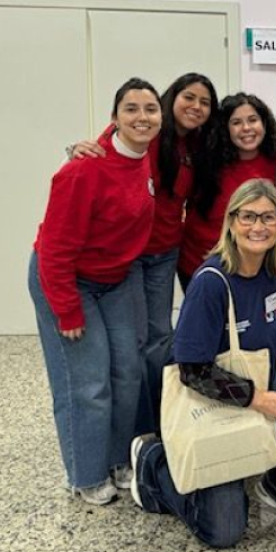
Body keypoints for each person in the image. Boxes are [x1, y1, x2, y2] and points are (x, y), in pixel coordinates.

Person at [130, 179, 276, 548]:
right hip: (211, 391)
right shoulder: (211, 283)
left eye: (268, 217)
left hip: (259, 379)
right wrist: (260, 401)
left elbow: (275, 309)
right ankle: (153, 464)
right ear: (231, 222)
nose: (258, 226)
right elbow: (192, 370)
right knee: (224, 530)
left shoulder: (274, 272)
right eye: (248, 216)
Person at [29, 77, 161, 505]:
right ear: (114, 118)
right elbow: (55, 251)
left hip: (115, 278)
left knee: (127, 373)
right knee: (87, 383)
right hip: (67, 280)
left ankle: (118, 458)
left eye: (150, 109)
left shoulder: (144, 154)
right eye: (131, 109)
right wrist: (66, 311)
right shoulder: (82, 170)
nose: (142, 117)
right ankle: (84, 474)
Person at [68, 73, 220, 433]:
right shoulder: (148, 134)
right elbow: (102, 154)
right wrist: (75, 150)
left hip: (166, 253)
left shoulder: (199, 147)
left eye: (204, 102)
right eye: (189, 97)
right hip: (131, 254)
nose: (195, 107)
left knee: (159, 339)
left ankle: (159, 415)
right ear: (171, 100)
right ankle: (135, 427)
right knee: (133, 345)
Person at [178, 92, 276, 290]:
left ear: (265, 124)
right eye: (236, 122)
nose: (246, 128)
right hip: (202, 266)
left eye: (253, 120)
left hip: (256, 267)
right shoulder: (206, 161)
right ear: (225, 128)